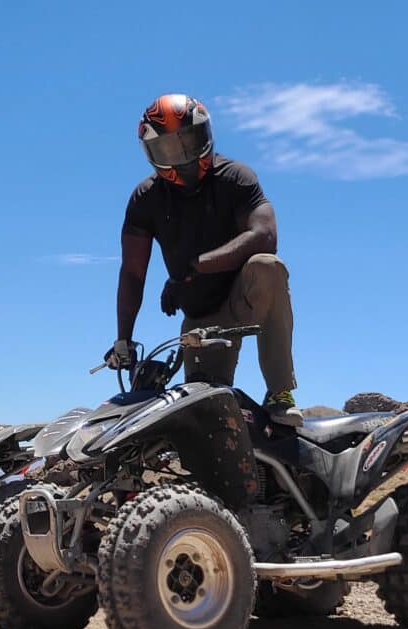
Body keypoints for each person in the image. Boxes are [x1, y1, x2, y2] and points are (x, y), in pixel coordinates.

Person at [106, 93, 303, 427]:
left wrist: (194, 266)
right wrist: (123, 340)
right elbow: (133, 273)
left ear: (206, 135)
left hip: (243, 299)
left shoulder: (236, 177)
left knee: (267, 267)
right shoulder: (145, 199)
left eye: (188, 141)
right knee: (205, 419)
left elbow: (265, 235)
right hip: (201, 321)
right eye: (168, 148)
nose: (181, 156)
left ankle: (280, 393)